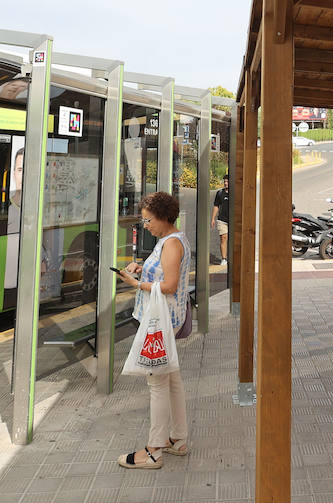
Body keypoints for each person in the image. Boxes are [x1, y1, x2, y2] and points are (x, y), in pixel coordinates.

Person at [117, 191, 192, 469]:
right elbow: (161, 274)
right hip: (163, 319)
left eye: (148, 220)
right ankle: (178, 439)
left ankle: (153, 451)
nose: (145, 225)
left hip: (160, 322)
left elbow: (170, 285)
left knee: (157, 383)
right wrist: (141, 269)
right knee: (171, 379)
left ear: (163, 218)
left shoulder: (171, 244)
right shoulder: (168, 240)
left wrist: (135, 284)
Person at [211, 176, 230, 266]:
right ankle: (224, 259)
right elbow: (216, 206)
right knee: (223, 238)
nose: (226, 183)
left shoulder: (235, 193)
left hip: (233, 220)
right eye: (225, 181)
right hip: (222, 220)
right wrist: (213, 218)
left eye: (227, 181)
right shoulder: (220, 193)